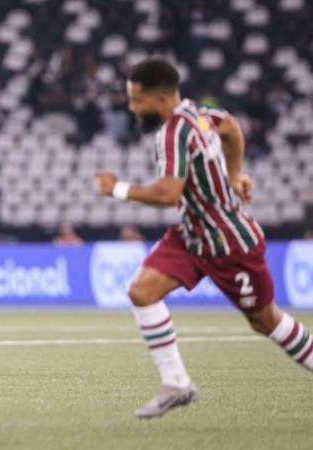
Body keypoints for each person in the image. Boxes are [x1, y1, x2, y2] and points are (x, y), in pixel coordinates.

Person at [95, 57, 313, 418]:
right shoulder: (200, 113)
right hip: (192, 236)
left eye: (138, 100)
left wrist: (117, 188)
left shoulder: (172, 133)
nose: (132, 108)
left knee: (266, 321)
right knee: (141, 292)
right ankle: (177, 384)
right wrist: (235, 174)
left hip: (230, 244)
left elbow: (167, 194)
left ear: (161, 99)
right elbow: (232, 128)